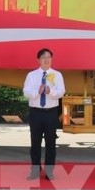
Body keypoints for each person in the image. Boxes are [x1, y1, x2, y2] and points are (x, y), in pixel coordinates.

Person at [23, 48, 65, 180]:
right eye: (43, 57)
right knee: (35, 143)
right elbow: (26, 92)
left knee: (51, 143)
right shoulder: (32, 75)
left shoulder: (57, 75)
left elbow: (61, 92)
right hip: (36, 113)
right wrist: (37, 91)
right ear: (38, 60)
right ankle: (35, 170)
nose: (46, 60)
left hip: (51, 113)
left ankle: (49, 171)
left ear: (51, 59)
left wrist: (50, 92)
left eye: (48, 57)